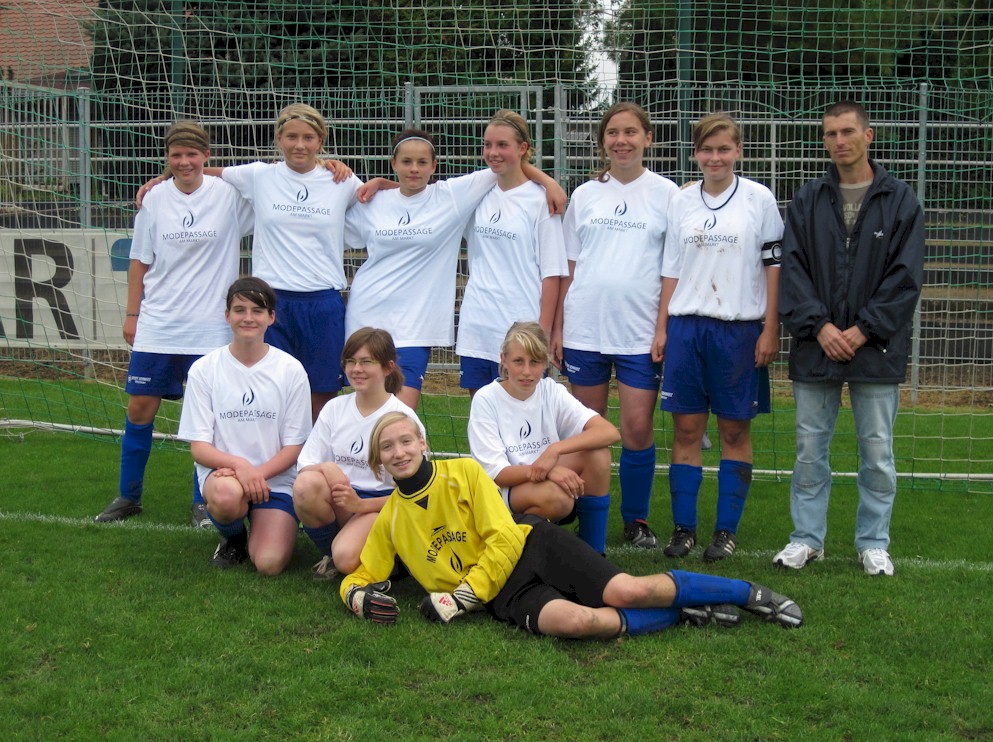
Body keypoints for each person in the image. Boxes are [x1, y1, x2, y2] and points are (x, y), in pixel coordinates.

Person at [339, 411, 803, 638]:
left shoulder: (463, 472)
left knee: (626, 591)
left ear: (423, 442)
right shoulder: (390, 519)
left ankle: (746, 593)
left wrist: (462, 597)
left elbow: (504, 538)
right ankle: (684, 612)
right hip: (503, 596)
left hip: (531, 549)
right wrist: (358, 597)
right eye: (387, 448)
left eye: (406, 441)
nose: (399, 452)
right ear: (378, 462)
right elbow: (362, 573)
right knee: (578, 623)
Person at [774, 101, 924, 577]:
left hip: (875, 348)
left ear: (868, 135)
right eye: (831, 134)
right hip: (816, 346)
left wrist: (863, 330)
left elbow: (905, 278)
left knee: (877, 453)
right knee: (809, 452)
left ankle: (874, 543)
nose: (839, 141)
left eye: (847, 132)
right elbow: (792, 271)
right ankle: (806, 539)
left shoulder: (900, 200)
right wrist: (820, 326)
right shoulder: (808, 199)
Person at [138, 103, 359, 420]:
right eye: (291, 136)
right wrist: (162, 180)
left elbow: (381, 199)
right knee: (270, 394)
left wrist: (379, 181)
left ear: (320, 141)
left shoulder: (342, 181)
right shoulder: (259, 175)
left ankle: (313, 454)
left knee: (320, 399)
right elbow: (202, 170)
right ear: (279, 139)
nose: (299, 145)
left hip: (322, 302)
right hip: (272, 302)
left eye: (308, 138)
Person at [95, 121, 253, 526]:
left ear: (206, 156)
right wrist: (133, 314)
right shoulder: (154, 199)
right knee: (138, 410)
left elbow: (278, 183)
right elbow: (139, 261)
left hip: (211, 328)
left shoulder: (229, 195)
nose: (184, 162)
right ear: (167, 158)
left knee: (210, 420)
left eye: (192, 154)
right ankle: (128, 496)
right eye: (176, 155)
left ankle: (204, 500)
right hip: (159, 324)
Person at [344, 126, 565, 410]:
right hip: (365, 316)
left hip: (415, 327)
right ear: (393, 163)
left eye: (422, 162)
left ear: (434, 165)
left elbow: (506, 166)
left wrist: (549, 182)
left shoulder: (452, 197)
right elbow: (333, 229)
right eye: (406, 162)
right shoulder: (374, 202)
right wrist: (378, 182)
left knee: (398, 416)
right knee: (364, 411)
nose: (414, 168)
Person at [653, 114, 784, 562]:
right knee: (687, 429)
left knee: (733, 429)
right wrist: (662, 327)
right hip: (687, 328)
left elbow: (774, 266)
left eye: (724, 149)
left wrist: (770, 327)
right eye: (707, 150)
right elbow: (671, 268)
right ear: (695, 154)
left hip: (738, 330)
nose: (715, 158)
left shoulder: (758, 199)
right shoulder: (682, 201)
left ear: (738, 152)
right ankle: (684, 529)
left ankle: (725, 531)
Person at [553, 102, 680, 549]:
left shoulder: (668, 194)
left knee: (637, 429)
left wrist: (662, 327)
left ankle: (636, 520)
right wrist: (558, 328)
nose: (621, 141)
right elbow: (569, 266)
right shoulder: (585, 194)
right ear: (602, 141)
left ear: (648, 138)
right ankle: (589, 522)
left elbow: (672, 269)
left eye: (630, 132)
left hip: (639, 332)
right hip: (585, 328)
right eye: (613, 133)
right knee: (589, 431)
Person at [177, 277, 313, 574]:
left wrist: (257, 475)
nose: (248, 318)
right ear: (227, 315)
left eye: (257, 310)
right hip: (225, 477)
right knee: (226, 497)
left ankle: (268, 525)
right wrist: (240, 466)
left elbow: (294, 447)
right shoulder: (204, 369)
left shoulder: (291, 370)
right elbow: (199, 448)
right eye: (239, 310)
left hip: (274, 480)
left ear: (271, 317)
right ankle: (234, 539)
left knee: (269, 564)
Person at [468, 322, 619, 554]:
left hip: (542, 477)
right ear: (503, 360)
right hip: (503, 492)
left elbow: (609, 432)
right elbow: (496, 474)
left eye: (535, 362)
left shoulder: (551, 390)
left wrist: (555, 450)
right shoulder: (486, 399)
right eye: (518, 361)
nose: (527, 371)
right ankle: (512, 545)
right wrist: (546, 470)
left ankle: (593, 553)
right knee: (558, 499)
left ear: (546, 362)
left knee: (598, 454)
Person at [293, 327, 424, 579]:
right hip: (343, 498)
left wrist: (361, 504)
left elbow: (417, 491)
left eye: (366, 362)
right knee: (305, 485)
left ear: (388, 367)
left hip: (382, 505)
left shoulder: (402, 417)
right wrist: (327, 467)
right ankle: (332, 554)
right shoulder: (334, 408)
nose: (356, 369)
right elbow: (306, 463)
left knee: (346, 557)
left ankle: (392, 562)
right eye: (350, 361)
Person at [457, 110, 568, 394]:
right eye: (488, 145)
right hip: (477, 328)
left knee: (524, 414)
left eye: (502, 145)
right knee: (482, 414)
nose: (493, 152)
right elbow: (423, 193)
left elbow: (552, 274)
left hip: (522, 331)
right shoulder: (477, 192)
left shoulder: (540, 201)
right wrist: (381, 184)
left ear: (522, 148)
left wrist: (542, 334)